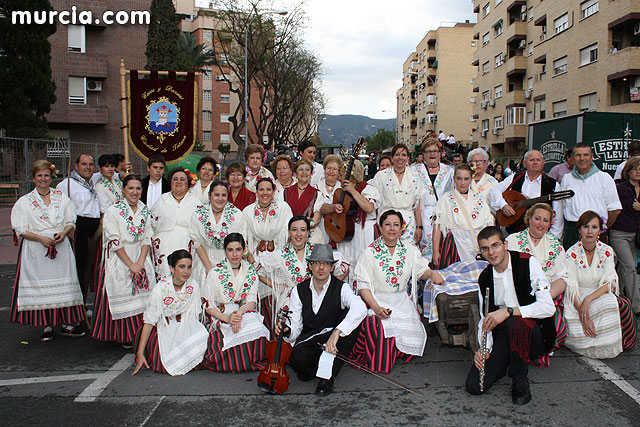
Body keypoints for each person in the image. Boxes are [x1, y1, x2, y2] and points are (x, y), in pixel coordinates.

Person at [465, 226, 556, 405]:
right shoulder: (484, 278)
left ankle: (520, 378)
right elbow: (486, 319)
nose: (491, 252)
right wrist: (485, 350)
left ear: (505, 244)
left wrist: (509, 311)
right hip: (505, 336)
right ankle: (505, 362)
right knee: (474, 386)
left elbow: (548, 307)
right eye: (485, 248)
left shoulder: (527, 262)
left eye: (495, 245)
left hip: (536, 336)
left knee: (513, 321)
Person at [352, 210, 444, 373]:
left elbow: (422, 271)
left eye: (396, 225)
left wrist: (432, 274)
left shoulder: (410, 250)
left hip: (401, 300)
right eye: (387, 224)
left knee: (408, 341)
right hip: (377, 300)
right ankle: (384, 356)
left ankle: (396, 351)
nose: (392, 229)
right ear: (380, 228)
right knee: (380, 327)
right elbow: (363, 285)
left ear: (402, 229)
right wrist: (376, 308)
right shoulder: (370, 253)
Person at [275, 244, 367, 395]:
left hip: (335, 339)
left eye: (325, 263)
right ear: (310, 266)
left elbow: (360, 307)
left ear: (332, 267)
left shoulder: (341, 288)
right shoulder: (299, 290)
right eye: (317, 263)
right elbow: (296, 326)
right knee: (298, 359)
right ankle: (321, 365)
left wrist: (337, 332)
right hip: (312, 339)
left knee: (352, 323)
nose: (321, 268)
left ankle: (326, 376)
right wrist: (287, 331)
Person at [11, 160, 86, 341]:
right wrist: (41, 238)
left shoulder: (62, 197)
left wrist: (63, 233)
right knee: (42, 286)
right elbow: (20, 228)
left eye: (46, 175)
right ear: (33, 178)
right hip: (37, 250)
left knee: (64, 285)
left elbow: (70, 220)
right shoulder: (25, 201)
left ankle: (67, 324)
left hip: (60, 248)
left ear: (51, 177)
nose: (43, 179)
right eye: (39, 176)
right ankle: (47, 325)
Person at [92, 175, 156, 346]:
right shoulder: (113, 211)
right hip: (121, 256)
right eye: (131, 188)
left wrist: (141, 263)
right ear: (123, 190)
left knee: (145, 296)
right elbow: (114, 240)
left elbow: (147, 237)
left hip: (140, 256)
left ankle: (144, 334)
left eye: (138, 189)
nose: (135, 192)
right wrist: (131, 265)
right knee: (122, 289)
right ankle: (126, 335)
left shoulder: (144, 209)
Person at [505, 203, 568, 366]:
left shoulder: (557, 246)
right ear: (529, 219)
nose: (541, 224)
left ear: (550, 223)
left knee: (557, 326)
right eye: (537, 218)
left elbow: (562, 278)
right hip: (516, 293)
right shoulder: (512, 240)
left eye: (545, 220)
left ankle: (540, 348)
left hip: (546, 294)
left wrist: (544, 297)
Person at [201, 234, 270, 372]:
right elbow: (208, 305)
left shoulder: (250, 272)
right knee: (228, 332)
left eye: (238, 249)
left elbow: (251, 301)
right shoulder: (215, 272)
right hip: (221, 313)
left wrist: (239, 313)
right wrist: (227, 318)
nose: (234, 254)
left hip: (242, 311)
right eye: (230, 250)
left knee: (255, 324)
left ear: (244, 249)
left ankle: (245, 359)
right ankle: (235, 361)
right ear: (225, 251)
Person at [133, 250, 208, 376]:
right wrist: (140, 353)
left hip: (186, 323)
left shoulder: (193, 285)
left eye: (189, 267)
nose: (186, 271)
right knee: (164, 362)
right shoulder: (160, 289)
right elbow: (149, 321)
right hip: (164, 326)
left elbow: (195, 315)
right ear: (171, 268)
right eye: (181, 267)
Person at [564, 211, 623, 359]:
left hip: (597, 292)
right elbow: (571, 288)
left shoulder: (607, 251)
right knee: (580, 312)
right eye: (586, 226)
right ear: (579, 230)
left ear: (600, 230)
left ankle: (605, 345)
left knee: (610, 301)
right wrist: (583, 313)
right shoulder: (571, 253)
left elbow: (610, 282)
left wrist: (588, 300)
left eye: (594, 227)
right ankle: (585, 344)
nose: (590, 231)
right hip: (577, 294)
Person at [490, 150, 564, 239]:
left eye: (538, 160)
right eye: (531, 160)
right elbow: (494, 191)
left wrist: (553, 239)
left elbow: (558, 216)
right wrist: (503, 205)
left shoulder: (553, 185)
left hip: (541, 236)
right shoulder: (514, 178)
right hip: (514, 233)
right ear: (525, 163)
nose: (535, 162)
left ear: (543, 163)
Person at [56, 154, 100, 305]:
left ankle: (81, 304)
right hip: (76, 233)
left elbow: (111, 171)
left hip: (90, 235)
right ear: (76, 166)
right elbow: (58, 209)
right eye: (84, 164)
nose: (87, 167)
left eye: (90, 164)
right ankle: (71, 308)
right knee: (75, 272)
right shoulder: (66, 184)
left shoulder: (92, 182)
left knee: (86, 272)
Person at [560, 143, 621, 248]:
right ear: (573, 158)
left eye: (586, 155)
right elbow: (562, 207)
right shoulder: (566, 179)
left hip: (596, 233)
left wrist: (601, 229)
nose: (582, 158)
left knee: (597, 264)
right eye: (578, 155)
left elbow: (615, 210)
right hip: (572, 233)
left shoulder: (604, 178)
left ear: (592, 157)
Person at [432, 164, 494, 268]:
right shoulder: (446, 198)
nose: (462, 183)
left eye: (466, 179)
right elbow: (438, 226)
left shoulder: (479, 199)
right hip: (453, 246)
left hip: (476, 244)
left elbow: (488, 225)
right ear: (454, 179)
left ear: (471, 179)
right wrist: (435, 251)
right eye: (459, 179)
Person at [189, 180, 246, 287]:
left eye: (224, 195)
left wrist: (230, 267)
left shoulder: (237, 214)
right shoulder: (198, 213)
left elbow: (239, 243)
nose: (220, 198)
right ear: (209, 195)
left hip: (229, 260)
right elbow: (196, 241)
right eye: (216, 195)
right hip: (204, 259)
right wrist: (208, 268)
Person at [369, 144, 425, 246]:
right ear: (392, 158)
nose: (400, 158)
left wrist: (419, 227)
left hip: (408, 224)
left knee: (407, 255)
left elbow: (417, 205)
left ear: (408, 158)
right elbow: (373, 200)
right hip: (386, 221)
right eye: (397, 155)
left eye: (403, 155)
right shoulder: (381, 176)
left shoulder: (415, 177)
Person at [151, 167, 200, 280]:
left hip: (187, 245)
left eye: (182, 179)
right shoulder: (162, 200)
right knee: (166, 279)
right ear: (170, 182)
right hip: (164, 247)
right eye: (175, 179)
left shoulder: (195, 202)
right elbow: (152, 225)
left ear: (188, 183)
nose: (178, 182)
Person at [335, 160, 379, 279]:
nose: (339, 176)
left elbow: (369, 208)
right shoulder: (340, 191)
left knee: (364, 266)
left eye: (341, 173)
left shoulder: (368, 189)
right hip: (347, 232)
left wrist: (353, 190)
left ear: (351, 174)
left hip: (365, 233)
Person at [412, 137, 453, 260]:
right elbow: (415, 198)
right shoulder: (414, 170)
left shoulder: (449, 171)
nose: (432, 154)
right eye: (428, 151)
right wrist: (419, 226)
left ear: (440, 154)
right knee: (421, 253)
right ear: (423, 154)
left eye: (435, 151)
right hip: (421, 215)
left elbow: (451, 195)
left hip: (443, 215)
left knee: (441, 251)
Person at [609, 157, 640, 314]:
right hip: (620, 232)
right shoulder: (620, 188)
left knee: (622, 269)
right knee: (630, 267)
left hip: (637, 235)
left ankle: (618, 301)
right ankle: (636, 306)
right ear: (628, 171)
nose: (638, 171)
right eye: (635, 168)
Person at [284, 159, 322, 243]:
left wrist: (304, 229)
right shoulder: (285, 192)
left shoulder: (317, 194)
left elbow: (317, 217)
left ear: (311, 173)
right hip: (288, 233)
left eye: (307, 170)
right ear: (295, 174)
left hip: (309, 234)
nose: (304, 172)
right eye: (300, 169)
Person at [313, 154, 344, 244]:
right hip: (320, 227)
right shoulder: (316, 187)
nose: (331, 171)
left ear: (339, 172)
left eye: (334, 169)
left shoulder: (343, 188)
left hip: (338, 227)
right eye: (328, 168)